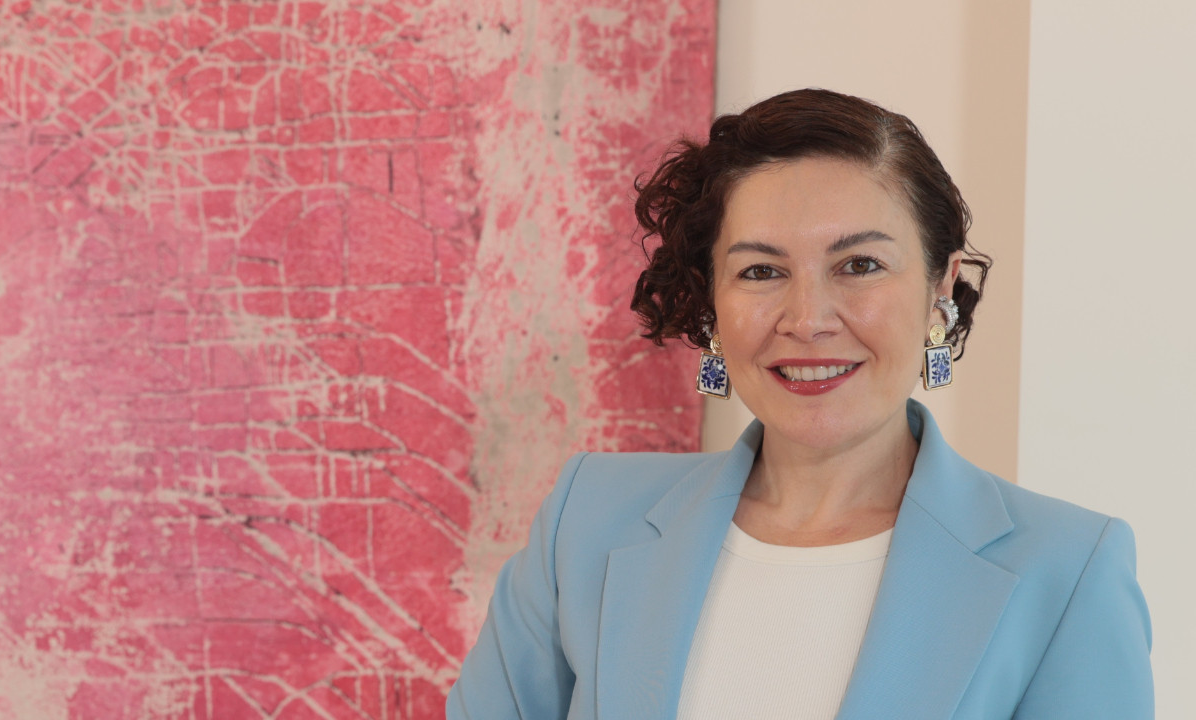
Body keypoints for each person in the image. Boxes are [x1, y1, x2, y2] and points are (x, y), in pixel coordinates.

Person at [446, 89, 1153, 719]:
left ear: (942, 285)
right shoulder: (584, 523)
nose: (808, 318)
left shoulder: (1067, 571)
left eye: (860, 265)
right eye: (761, 271)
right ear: (712, 301)